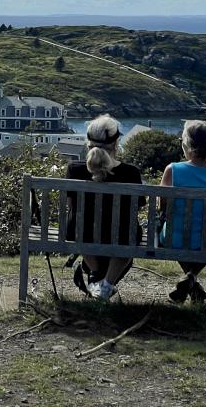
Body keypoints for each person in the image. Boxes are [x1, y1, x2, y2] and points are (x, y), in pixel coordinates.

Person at [65, 114, 144, 301]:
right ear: (116, 144)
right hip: (122, 235)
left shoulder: (74, 170)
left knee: (77, 228)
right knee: (128, 238)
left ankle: (95, 274)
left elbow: (71, 207)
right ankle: (106, 284)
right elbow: (137, 208)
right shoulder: (131, 173)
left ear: (88, 142)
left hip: (83, 234)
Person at [160, 120, 206, 304]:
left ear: (188, 145)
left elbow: (164, 206)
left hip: (175, 238)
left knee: (172, 233)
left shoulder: (173, 169)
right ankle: (191, 279)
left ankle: (190, 278)